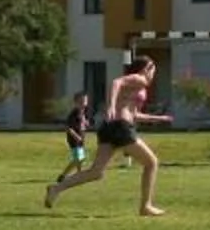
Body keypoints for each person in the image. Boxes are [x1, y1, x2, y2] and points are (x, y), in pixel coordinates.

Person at [46, 55, 169, 216]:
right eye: (153, 70)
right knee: (151, 163)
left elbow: (134, 114)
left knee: (96, 172)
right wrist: (111, 105)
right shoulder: (140, 79)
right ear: (147, 68)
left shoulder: (136, 87)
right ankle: (145, 206)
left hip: (109, 127)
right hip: (121, 127)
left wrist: (158, 118)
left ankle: (56, 188)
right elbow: (116, 82)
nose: (153, 74)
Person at [56, 92, 93, 179]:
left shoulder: (85, 112)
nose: (83, 103)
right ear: (76, 102)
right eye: (81, 101)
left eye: (85, 101)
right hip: (74, 139)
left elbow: (87, 123)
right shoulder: (74, 114)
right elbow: (69, 128)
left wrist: (86, 123)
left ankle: (79, 174)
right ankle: (63, 175)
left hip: (81, 138)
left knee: (81, 158)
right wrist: (76, 136)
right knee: (78, 158)